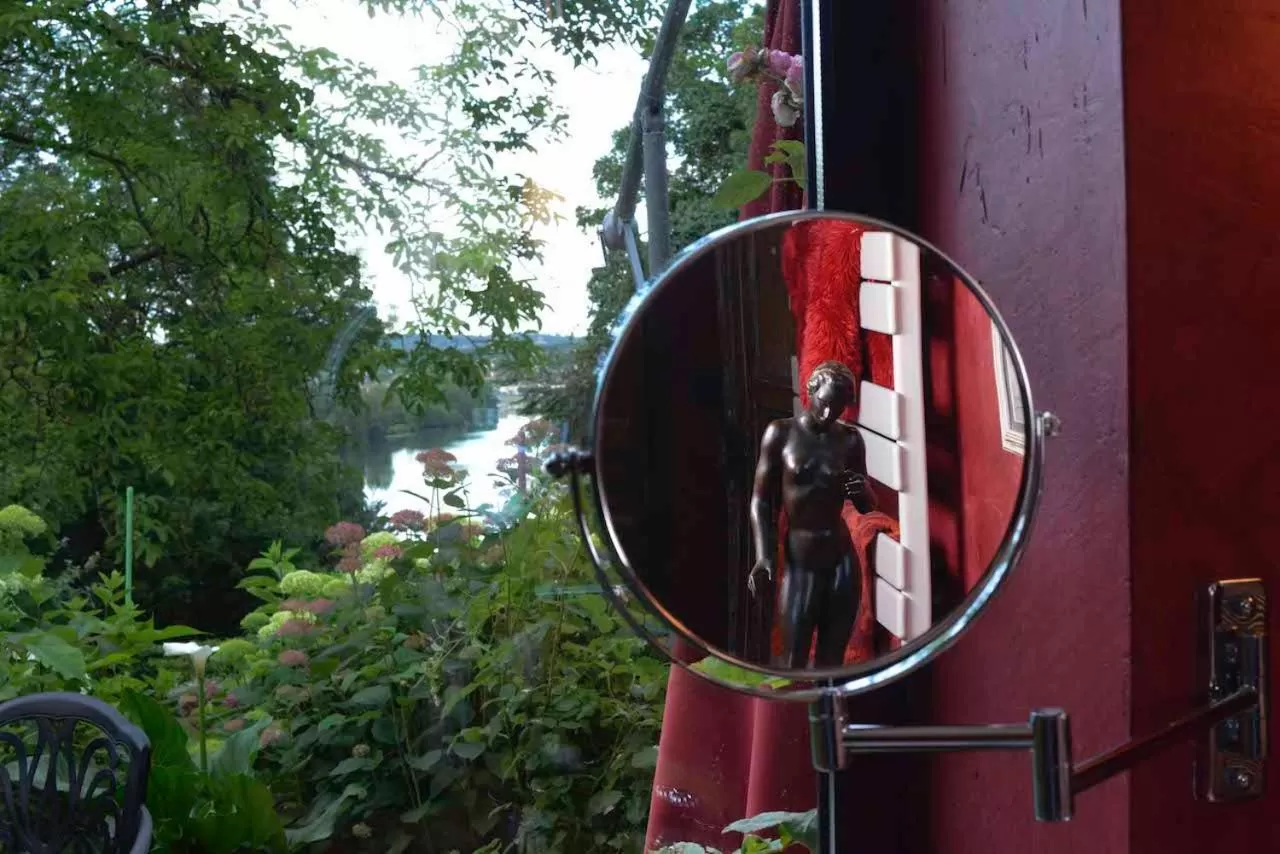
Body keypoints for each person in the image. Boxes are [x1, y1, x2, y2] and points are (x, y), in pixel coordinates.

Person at [747, 360, 876, 668]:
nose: (831, 413)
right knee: (794, 660)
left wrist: (862, 491)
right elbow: (761, 501)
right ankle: (795, 717)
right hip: (801, 562)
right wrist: (764, 556)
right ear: (812, 391)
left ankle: (828, 714)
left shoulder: (850, 440)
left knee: (831, 664)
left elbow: (867, 506)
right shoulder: (780, 434)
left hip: (840, 559)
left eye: (840, 407)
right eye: (826, 403)